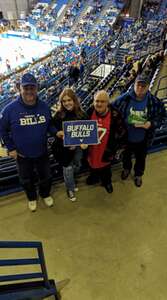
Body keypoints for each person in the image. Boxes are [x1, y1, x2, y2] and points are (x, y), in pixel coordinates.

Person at [0, 73, 56, 212]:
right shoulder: (9, 110)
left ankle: (45, 194)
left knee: (46, 177)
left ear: (37, 88)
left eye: (32, 88)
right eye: (26, 88)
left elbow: (49, 125)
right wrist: (11, 147)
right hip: (22, 156)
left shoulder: (44, 106)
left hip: (42, 152)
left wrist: (57, 132)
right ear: (20, 88)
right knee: (26, 180)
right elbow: (2, 130)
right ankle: (32, 197)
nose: (30, 91)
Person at [113, 75, 166, 187]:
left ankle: (138, 174)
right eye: (138, 85)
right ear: (134, 85)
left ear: (148, 87)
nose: (140, 88)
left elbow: (162, 116)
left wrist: (151, 123)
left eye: (143, 86)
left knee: (141, 159)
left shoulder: (154, 101)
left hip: (144, 139)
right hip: (126, 138)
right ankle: (126, 169)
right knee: (126, 156)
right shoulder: (124, 99)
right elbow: (111, 110)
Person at [86, 90, 127, 193]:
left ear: (108, 102)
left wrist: (116, 148)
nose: (99, 104)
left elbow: (122, 132)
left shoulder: (115, 115)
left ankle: (107, 182)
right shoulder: (89, 112)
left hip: (106, 151)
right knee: (91, 167)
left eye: (102, 101)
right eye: (97, 101)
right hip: (91, 150)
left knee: (106, 170)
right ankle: (94, 177)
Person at [52, 88, 87, 202]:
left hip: (77, 149)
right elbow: (52, 129)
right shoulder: (58, 115)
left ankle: (71, 180)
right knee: (67, 168)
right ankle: (70, 188)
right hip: (63, 148)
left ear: (74, 100)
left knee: (77, 165)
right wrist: (58, 133)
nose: (67, 103)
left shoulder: (82, 114)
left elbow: (87, 132)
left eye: (69, 100)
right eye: (64, 101)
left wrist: (85, 143)